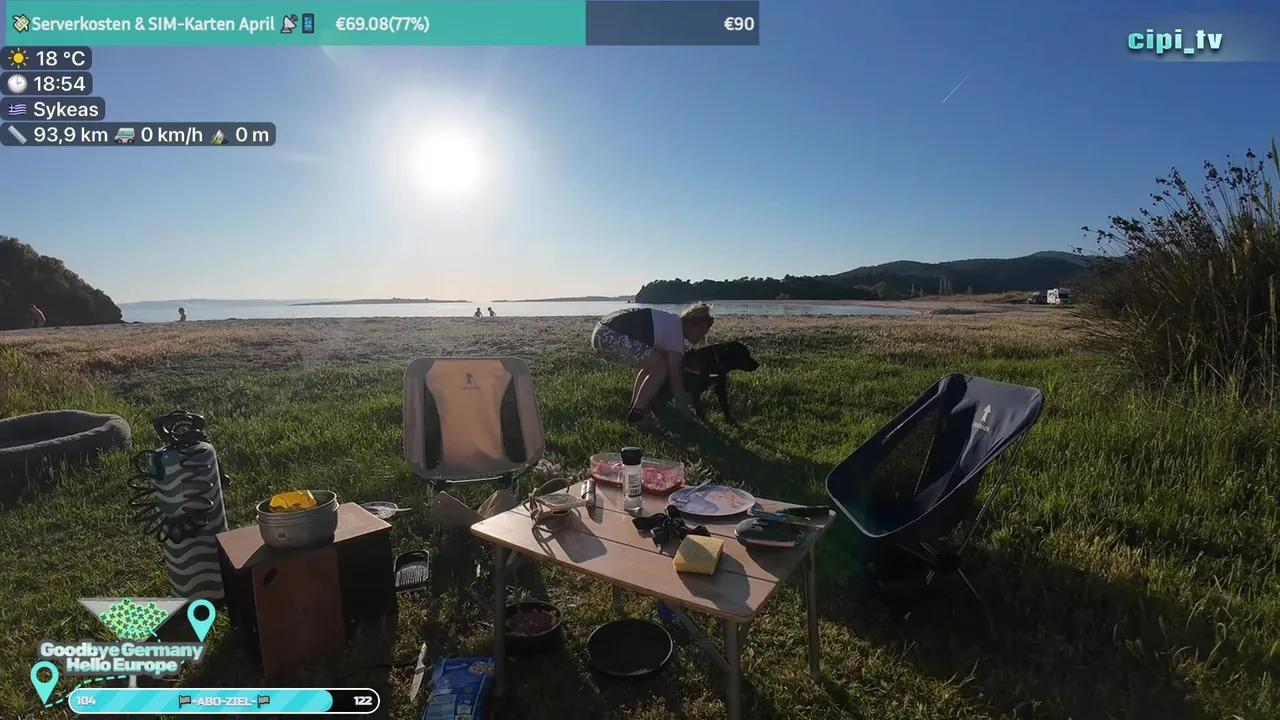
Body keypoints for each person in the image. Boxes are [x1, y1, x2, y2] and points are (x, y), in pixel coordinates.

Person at [591, 303, 715, 428]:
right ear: (692, 324)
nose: (702, 338)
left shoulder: (672, 322)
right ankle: (637, 416)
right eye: (702, 332)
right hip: (610, 336)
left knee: (653, 365)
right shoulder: (676, 334)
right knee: (661, 367)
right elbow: (676, 379)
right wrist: (684, 410)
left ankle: (636, 408)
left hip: (601, 332)